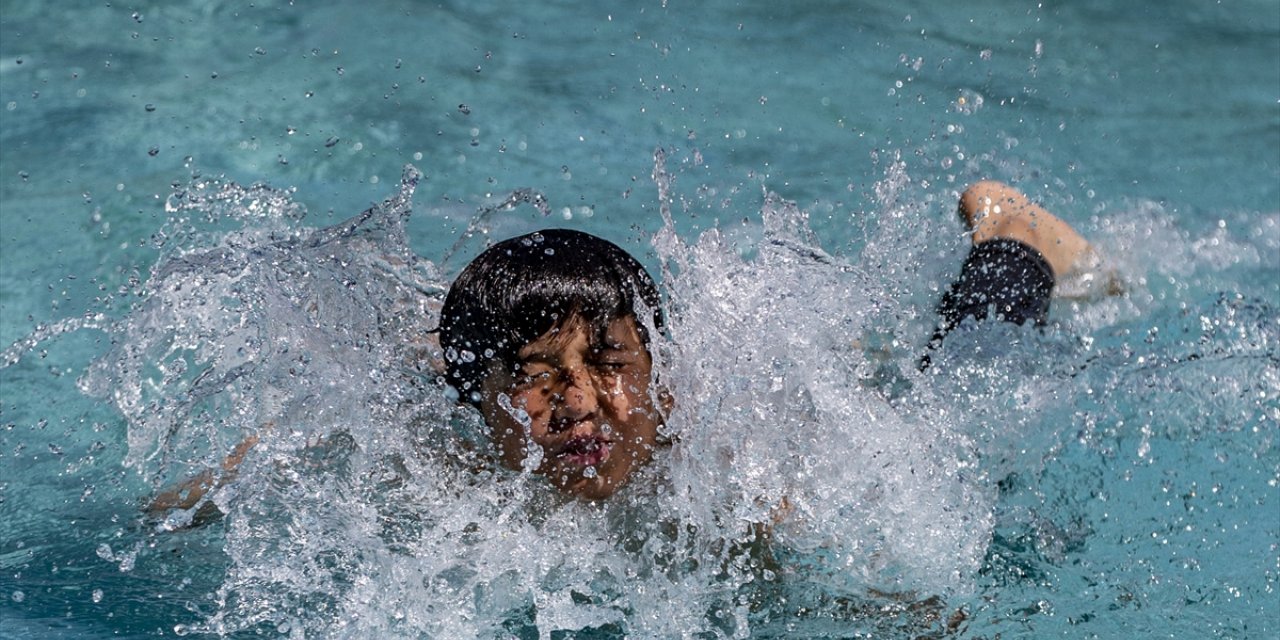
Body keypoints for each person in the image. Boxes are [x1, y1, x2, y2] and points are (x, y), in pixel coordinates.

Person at [149, 180, 1104, 511]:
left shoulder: (731, 473)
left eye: (610, 365)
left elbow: (886, 578)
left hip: (830, 402)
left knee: (961, 387)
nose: (579, 408)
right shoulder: (429, 464)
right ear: (474, 395)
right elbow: (272, 460)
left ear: (656, 368)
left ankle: (1012, 235)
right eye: (531, 380)